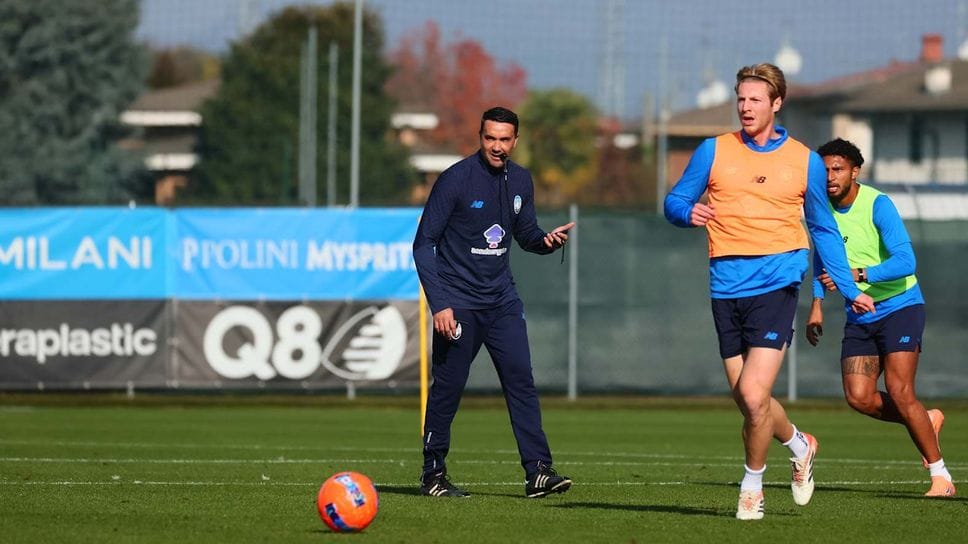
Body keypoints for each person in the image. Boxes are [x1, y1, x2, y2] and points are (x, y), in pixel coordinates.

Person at [663, 63, 876, 520]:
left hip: (778, 284)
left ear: (776, 104)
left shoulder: (803, 160)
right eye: (741, 99)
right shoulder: (713, 151)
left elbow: (821, 227)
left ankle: (752, 487)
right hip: (725, 287)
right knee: (747, 399)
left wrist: (847, 285)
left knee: (756, 397)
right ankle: (800, 443)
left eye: (755, 99)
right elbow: (674, 201)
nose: (745, 107)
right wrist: (688, 212)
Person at [412, 106, 575, 499]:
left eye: (504, 139)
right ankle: (433, 473)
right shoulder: (455, 180)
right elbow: (423, 245)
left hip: (502, 301)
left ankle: (538, 472)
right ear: (480, 137)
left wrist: (545, 242)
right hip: (458, 303)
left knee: (522, 383)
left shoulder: (520, 180)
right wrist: (441, 304)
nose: (497, 146)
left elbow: (526, 234)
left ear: (515, 140)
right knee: (448, 389)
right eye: (490, 138)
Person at [805, 138, 955, 497]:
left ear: (854, 171)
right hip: (860, 314)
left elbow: (906, 262)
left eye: (837, 169)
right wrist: (816, 304)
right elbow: (821, 258)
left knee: (902, 392)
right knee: (860, 397)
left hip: (900, 306)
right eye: (824, 170)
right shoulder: (820, 209)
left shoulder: (878, 204)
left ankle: (941, 477)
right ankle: (926, 419)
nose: (829, 176)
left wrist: (857, 275)